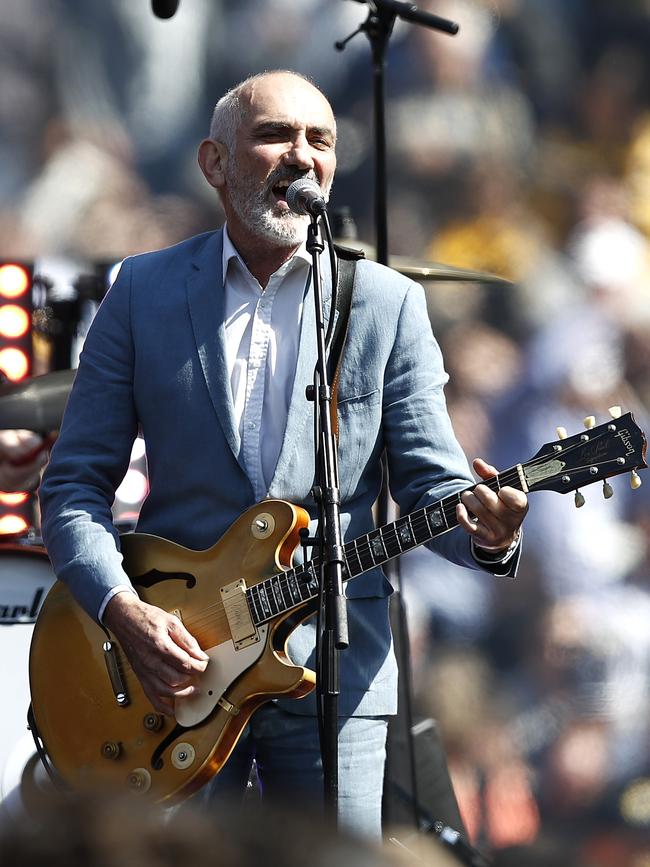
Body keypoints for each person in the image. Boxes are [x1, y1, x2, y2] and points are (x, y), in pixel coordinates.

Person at [38, 70, 528, 840]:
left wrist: (490, 535)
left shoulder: (385, 302)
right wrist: (122, 611)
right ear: (214, 163)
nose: (302, 156)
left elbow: (437, 485)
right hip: (176, 674)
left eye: (320, 140)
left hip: (337, 672)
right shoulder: (144, 290)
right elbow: (71, 486)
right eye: (276, 136)